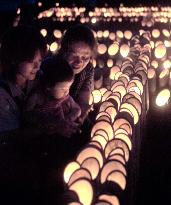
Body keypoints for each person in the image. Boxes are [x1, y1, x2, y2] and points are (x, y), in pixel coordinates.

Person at [0, 25, 47, 134]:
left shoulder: (40, 78)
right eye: (31, 61)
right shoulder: (3, 94)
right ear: (14, 59)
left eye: (40, 60)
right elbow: (11, 136)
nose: (37, 66)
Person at [24, 56, 81, 137]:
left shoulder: (65, 97)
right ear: (48, 86)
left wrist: (68, 119)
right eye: (63, 88)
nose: (66, 91)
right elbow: (27, 115)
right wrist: (46, 120)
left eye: (69, 87)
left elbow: (77, 109)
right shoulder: (37, 97)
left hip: (64, 131)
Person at [57, 24, 97, 124]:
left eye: (85, 58)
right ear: (63, 51)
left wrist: (82, 112)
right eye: (74, 56)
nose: (79, 62)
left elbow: (83, 99)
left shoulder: (87, 69)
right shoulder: (52, 67)